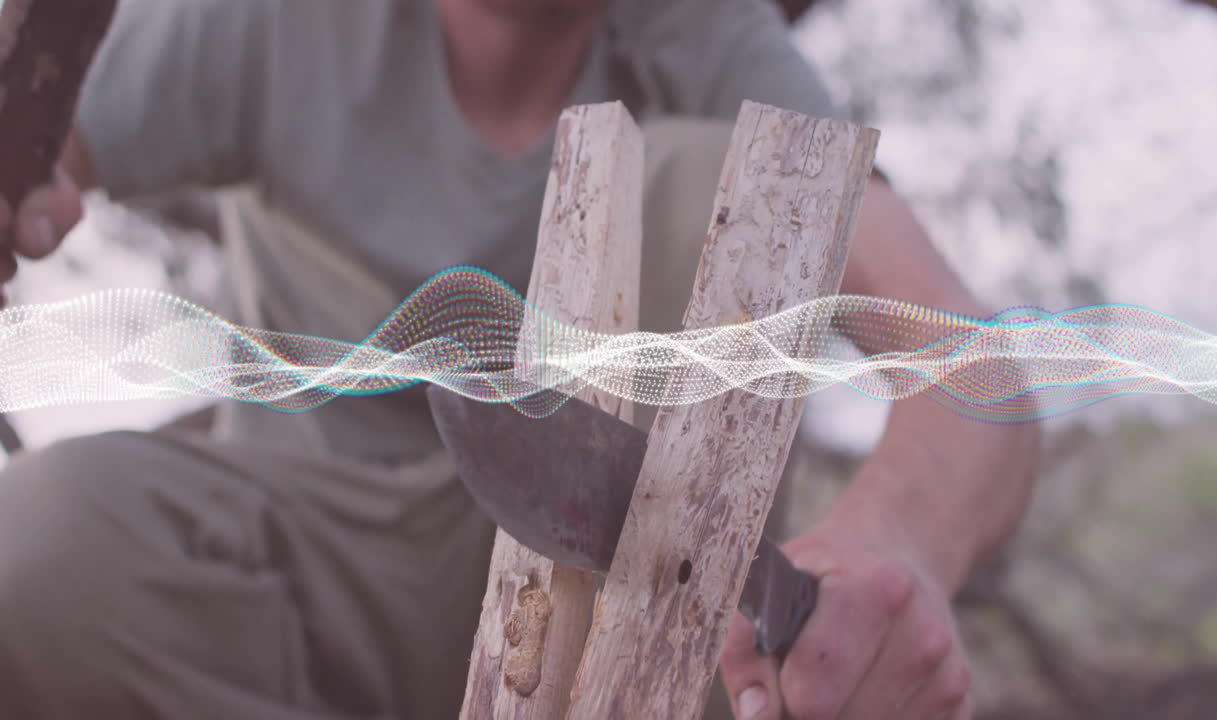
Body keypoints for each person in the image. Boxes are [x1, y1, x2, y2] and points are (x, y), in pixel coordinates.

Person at [0, 0, 1039, 718]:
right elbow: (40, 132)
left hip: (636, 602)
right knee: (38, 547)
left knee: (703, 176)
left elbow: (967, 360)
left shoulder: (707, 43)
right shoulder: (280, 20)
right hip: (299, 581)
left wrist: (887, 553)